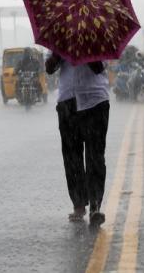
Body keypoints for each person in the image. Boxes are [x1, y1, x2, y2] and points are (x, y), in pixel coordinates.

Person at [46, 53, 110, 225]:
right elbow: (49, 69)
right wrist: (59, 53)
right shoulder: (60, 37)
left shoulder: (97, 36)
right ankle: (79, 204)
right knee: (71, 157)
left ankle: (95, 206)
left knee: (95, 155)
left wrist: (86, 51)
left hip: (96, 101)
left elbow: (98, 68)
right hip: (67, 102)